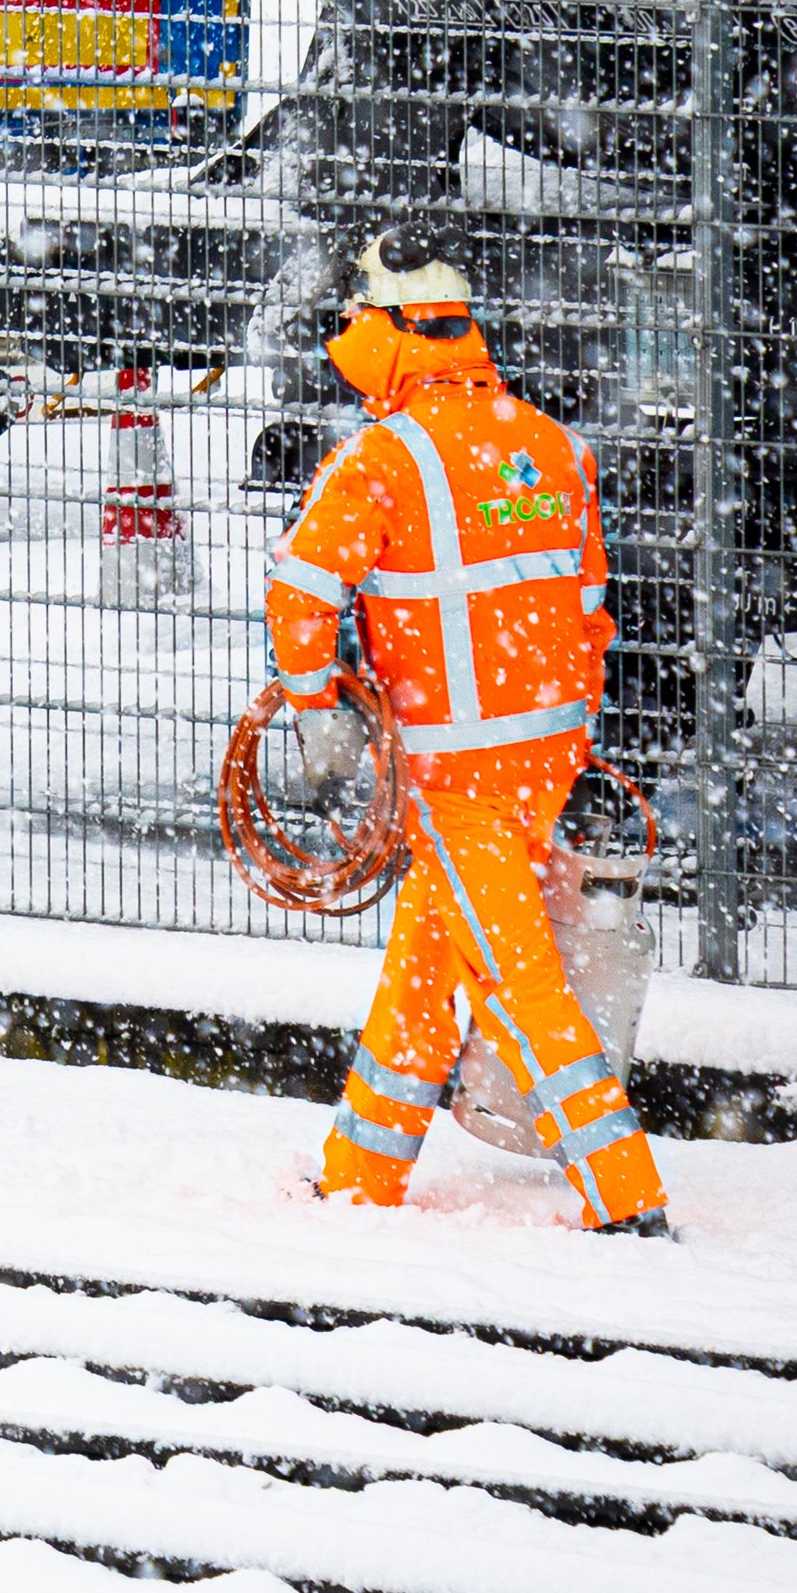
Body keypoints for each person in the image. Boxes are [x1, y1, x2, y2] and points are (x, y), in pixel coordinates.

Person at [265, 232, 669, 1233]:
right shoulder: (547, 446)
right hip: (542, 762)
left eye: (357, 313)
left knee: (518, 981)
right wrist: (561, 735)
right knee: (424, 967)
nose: (344, 331)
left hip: (453, 774)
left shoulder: (383, 460)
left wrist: (319, 716)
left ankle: (625, 1193)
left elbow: (301, 592)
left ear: (391, 333)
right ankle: (360, 1173)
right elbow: (589, 609)